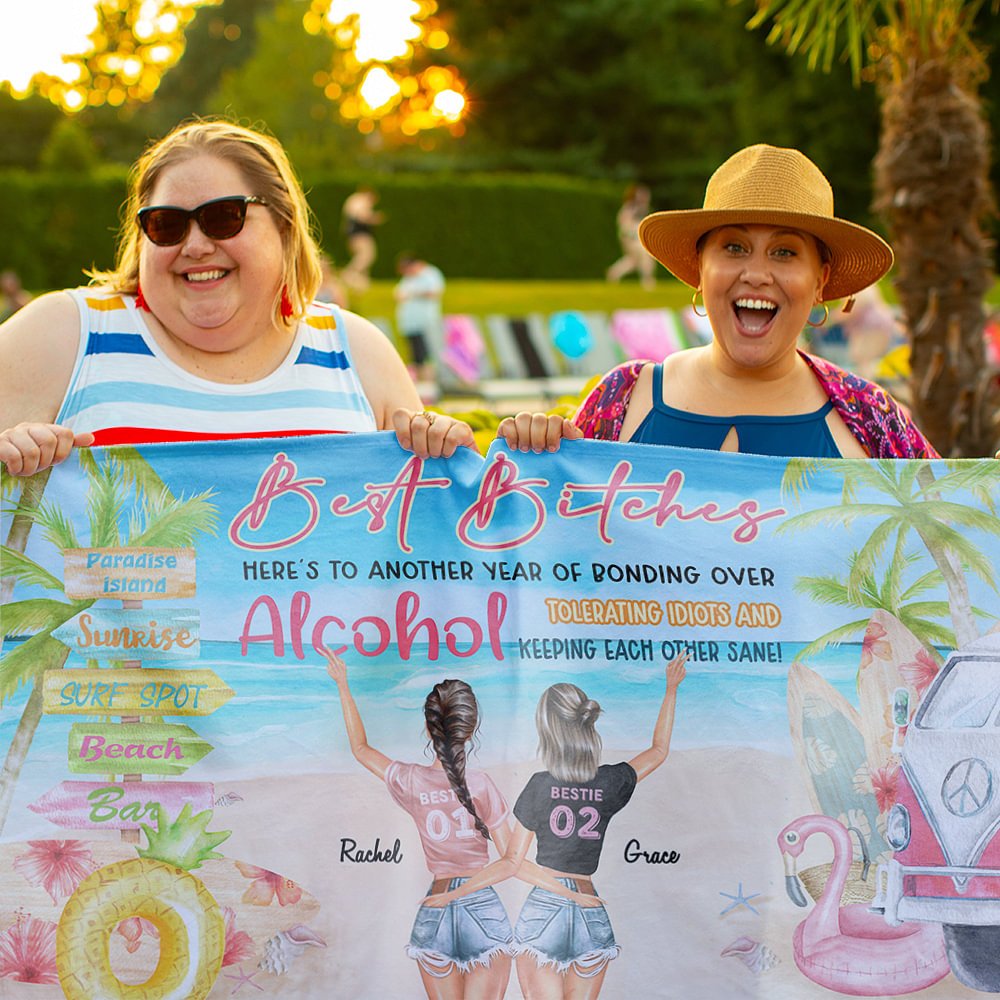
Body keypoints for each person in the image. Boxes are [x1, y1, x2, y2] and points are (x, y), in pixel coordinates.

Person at [0, 120, 473, 476]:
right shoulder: (61, 334)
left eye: (223, 217)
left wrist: (452, 460)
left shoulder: (357, 352)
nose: (195, 245)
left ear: (284, 227)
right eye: (166, 224)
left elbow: (422, 535)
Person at [500, 144, 940, 461]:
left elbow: (957, 533)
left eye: (784, 252)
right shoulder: (623, 399)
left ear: (820, 281)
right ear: (699, 268)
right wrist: (530, 451)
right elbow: (545, 540)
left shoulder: (871, 419)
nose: (756, 273)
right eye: (734, 247)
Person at [423, 654, 687, 999]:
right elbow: (659, 751)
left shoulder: (539, 785)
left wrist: (452, 895)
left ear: (546, 732)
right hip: (590, 906)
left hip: (544, 909)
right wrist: (671, 689)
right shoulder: (611, 781)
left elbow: (512, 862)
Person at [323, 650, 514, 999]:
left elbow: (361, 749)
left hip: (434, 909)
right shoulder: (482, 784)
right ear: (471, 730)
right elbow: (510, 859)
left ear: (428, 729)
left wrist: (343, 685)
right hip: (483, 909)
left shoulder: (411, 781)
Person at [394, 254, 445, 386]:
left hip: (425, 322)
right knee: (416, 354)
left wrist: (414, 294)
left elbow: (434, 293)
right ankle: (420, 381)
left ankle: (429, 381)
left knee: (426, 353)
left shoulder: (430, 274)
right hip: (409, 323)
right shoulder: (408, 278)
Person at [606, 184, 656, 291]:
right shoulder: (630, 208)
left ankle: (614, 272)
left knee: (633, 261)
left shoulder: (641, 209)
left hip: (633, 238)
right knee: (645, 255)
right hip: (631, 239)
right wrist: (632, 236)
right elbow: (624, 225)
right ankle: (648, 280)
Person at [341, 185, 385, 294]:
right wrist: (374, 218)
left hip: (352, 233)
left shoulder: (353, 200)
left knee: (362, 256)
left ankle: (362, 283)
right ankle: (349, 273)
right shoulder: (361, 201)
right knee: (366, 256)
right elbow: (362, 216)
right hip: (360, 233)